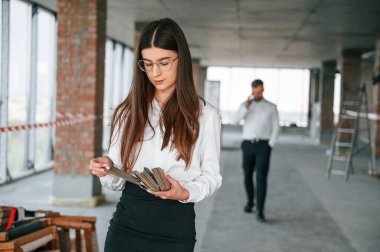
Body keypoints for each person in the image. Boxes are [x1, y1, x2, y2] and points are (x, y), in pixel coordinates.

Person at [88, 18, 222, 252]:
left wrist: (185, 192)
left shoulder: (205, 115)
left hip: (175, 228)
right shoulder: (127, 112)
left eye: (164, 62)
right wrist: (107, 168)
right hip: (126, 226)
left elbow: (212, 176)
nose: (155, 72)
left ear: (182, 60)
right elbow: (117, 182)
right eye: (147, 64)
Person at [235, 79, 280, 222]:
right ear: (251, 90)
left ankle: (260, 210)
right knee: (247, 175)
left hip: (263, 146)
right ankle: (250, 202)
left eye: (259, 91)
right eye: (255, 92)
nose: (257, 94)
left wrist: (270, 144)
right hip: (247, 144)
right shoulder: (245, 105)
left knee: (261, 178)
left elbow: (276, 127)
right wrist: (245, 108)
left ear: (263, 90)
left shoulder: (271, 107)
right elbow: (235, 120)